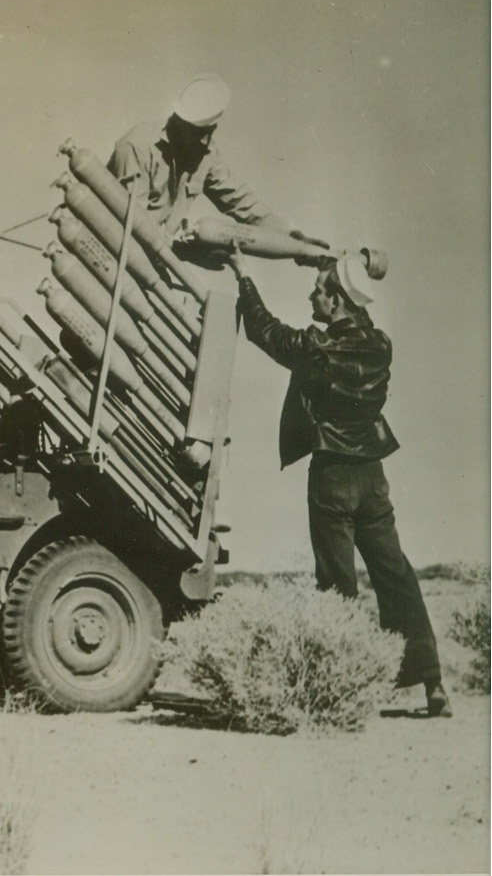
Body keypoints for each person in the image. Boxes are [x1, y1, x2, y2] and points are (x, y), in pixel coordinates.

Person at [227, 247, 451, 717]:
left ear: (336, 303)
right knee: (395, 575)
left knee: (337, 582)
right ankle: (432, 683)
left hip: (331, 473)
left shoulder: (318, 346)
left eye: (319, 291)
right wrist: (329, 267)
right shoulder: (380, 345)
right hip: (372, 476)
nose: (312, 295)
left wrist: (244, 275)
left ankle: (343, 685)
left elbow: (266, 332)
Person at [109, 73, 325, 248]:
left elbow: (241, 201)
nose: (206, 140)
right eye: (201, 133)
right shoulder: (137, 146)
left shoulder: (205, 154)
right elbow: (132, 225)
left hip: (153, 260)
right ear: (183, 124)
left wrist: (291, 239)